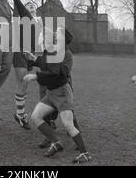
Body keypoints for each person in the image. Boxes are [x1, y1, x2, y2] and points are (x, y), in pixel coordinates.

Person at [24, 29, 92, 164]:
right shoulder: (53, 50)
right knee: (35, 116)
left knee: (68, 125)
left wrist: (36, 76)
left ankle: (85, 154)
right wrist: (34, 59)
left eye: (57, 34)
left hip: (62, 93)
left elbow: (57, 73)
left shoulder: (64, 54)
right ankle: (56, 142)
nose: (54, 34)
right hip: (51, 93)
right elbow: (47, 64)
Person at [8, 0, 43, 129]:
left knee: (28, 84)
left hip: (31, 55)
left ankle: (22, 114)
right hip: (20, 52)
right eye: (28, 4)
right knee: (22, 83)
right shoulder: (25, 17)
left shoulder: (39, 21)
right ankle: (20, 115)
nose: (30, 5)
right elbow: (18, 3)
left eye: (32, 4)